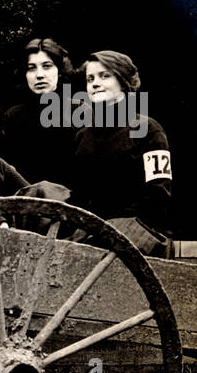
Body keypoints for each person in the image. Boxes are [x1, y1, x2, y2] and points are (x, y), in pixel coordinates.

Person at [69, 50, 173, 255]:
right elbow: (79, 198)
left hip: (139, 238)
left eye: (104, 75)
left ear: (123, 80)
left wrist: (115, 229)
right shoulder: (82, 137)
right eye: (90, 79)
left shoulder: (149, 130)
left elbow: (159, 195)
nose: (95, 84)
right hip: (90, 237)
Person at [0, 37, 78, 184]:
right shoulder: (12, 117)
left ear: (59, 70)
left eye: (47, 66)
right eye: (31, 68)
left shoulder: (79, 111)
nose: (39, 75)